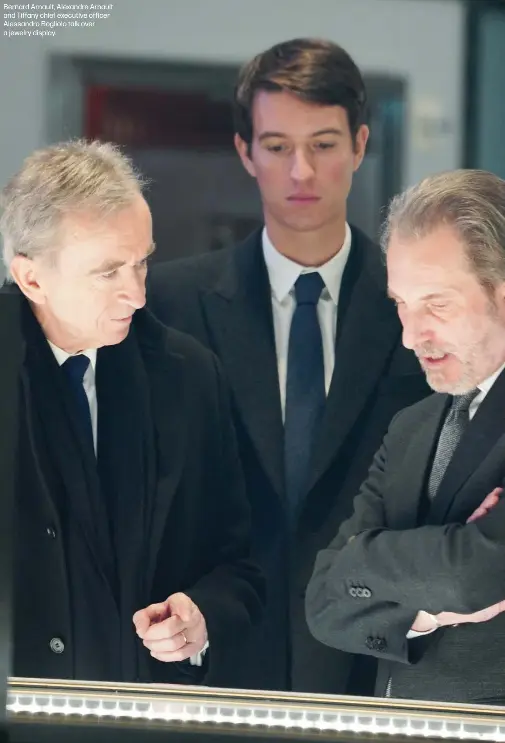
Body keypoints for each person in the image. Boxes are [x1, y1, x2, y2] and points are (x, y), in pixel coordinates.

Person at [147, 38, 429, 694]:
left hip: (374, 656)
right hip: (213, 657)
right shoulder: (170, 303)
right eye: (276, 147)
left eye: (324, 144)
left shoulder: (413, 304)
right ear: (246, 152)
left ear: (360, 145)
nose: (301, 170)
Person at [0, 139, 264, 685]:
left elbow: (241, 562)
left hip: (139, 719)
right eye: (107, 272)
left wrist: (202, 615)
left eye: (141, 263)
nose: (137, 295)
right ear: (31, 278)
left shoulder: (189, 376)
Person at [306, 169, 505, 705]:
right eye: (401, 304)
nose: (411, 335)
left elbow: (479, 574)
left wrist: (363, 560)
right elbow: (324, 603)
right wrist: (428, 609)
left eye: (436, 303)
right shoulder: (412, 425)